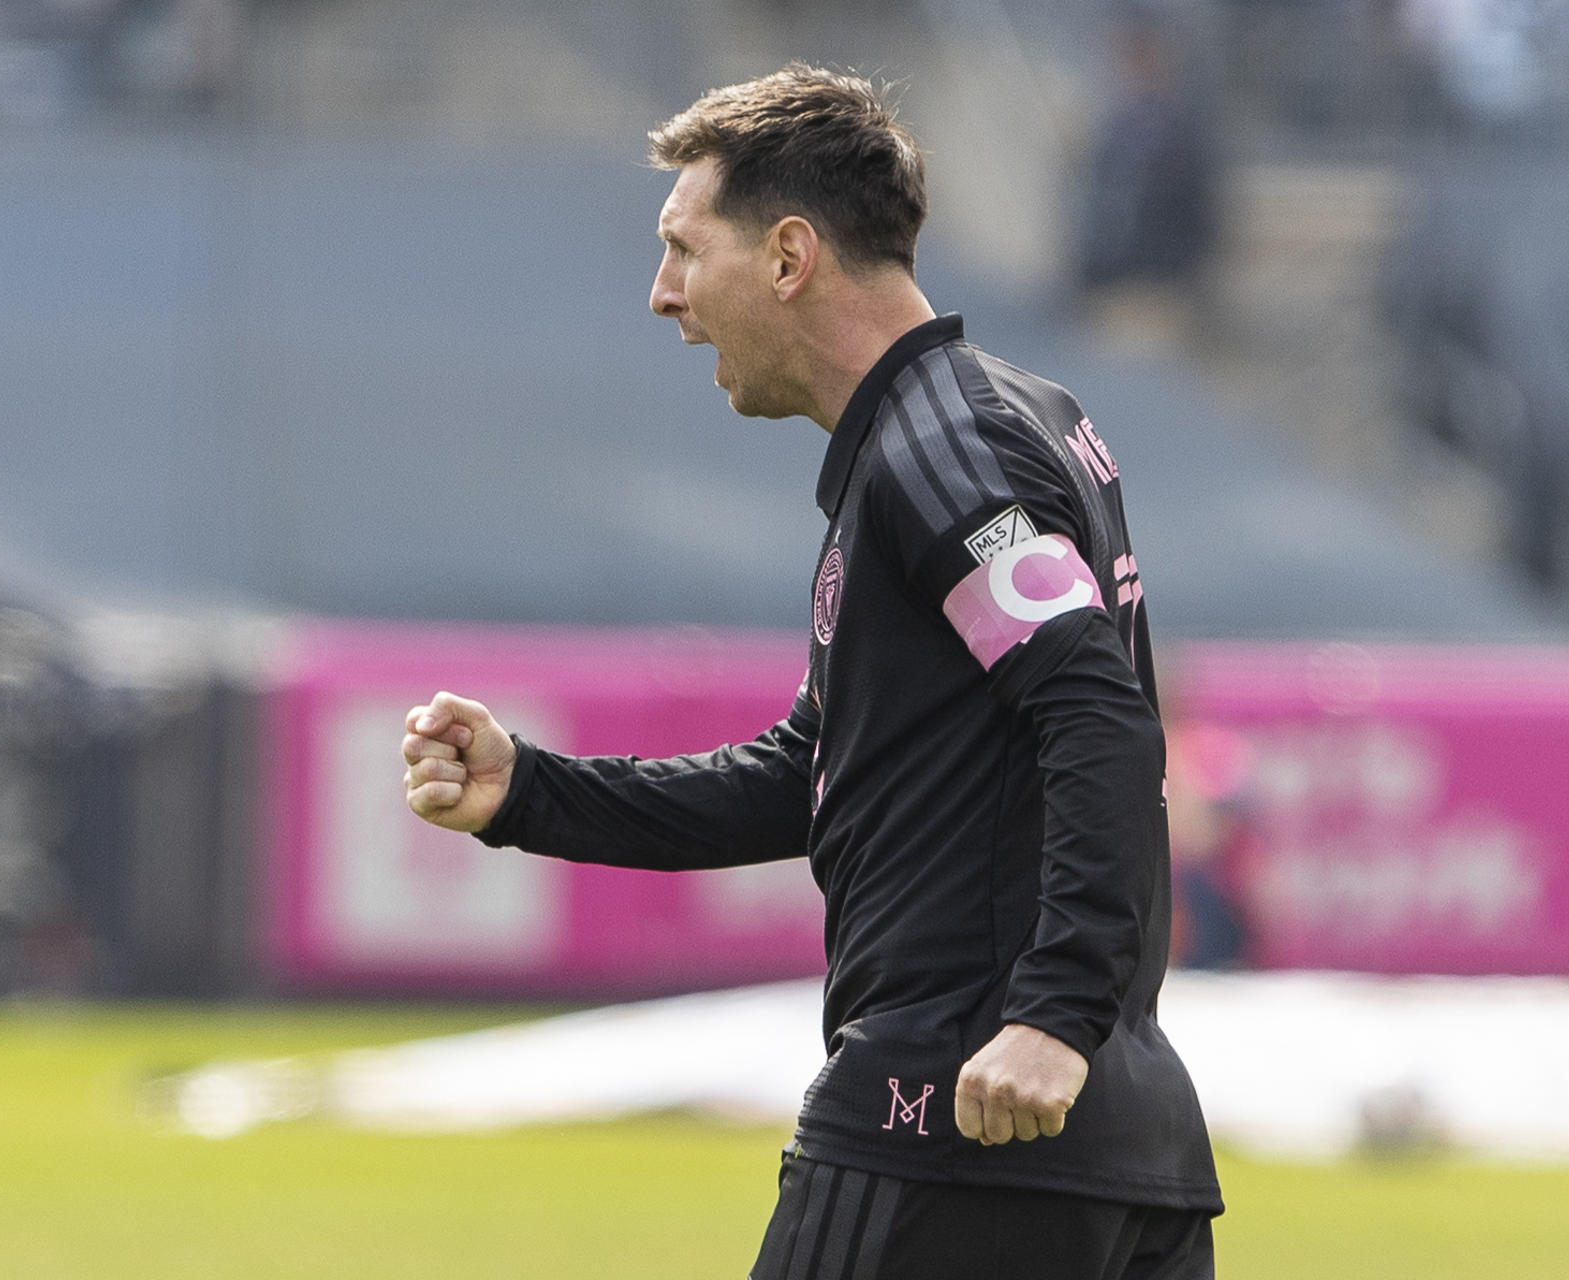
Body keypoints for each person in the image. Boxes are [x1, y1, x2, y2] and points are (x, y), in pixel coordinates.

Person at [402, 64, 1222, 1280]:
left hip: (956, 1115)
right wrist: (529, 791)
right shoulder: (997, 419)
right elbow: (818, 772)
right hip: (1109, 1134)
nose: (662, 294)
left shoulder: (943, 451)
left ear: (789, 255)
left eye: (685, 248)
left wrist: (1050, 1011)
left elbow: (1097, 708)